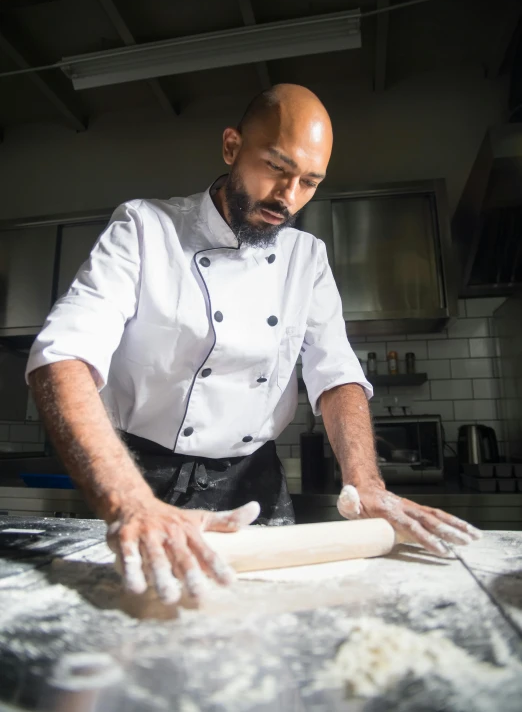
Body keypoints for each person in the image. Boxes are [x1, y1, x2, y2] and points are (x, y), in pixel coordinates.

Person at [27, 84, 480, 604]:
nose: (288, 198)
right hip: (139, 477)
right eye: (276, 168)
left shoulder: (305, 259)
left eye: (309, 182)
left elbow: (336, 376)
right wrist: (128, 501)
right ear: (230, 146)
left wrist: (366, 483)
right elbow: (62, 356)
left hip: (254, 485)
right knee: (132, 631)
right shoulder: (145, 229)